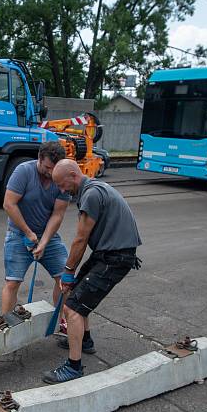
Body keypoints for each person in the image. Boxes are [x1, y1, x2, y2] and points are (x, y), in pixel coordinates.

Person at [43, 159, 142, 384]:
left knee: (73, 308)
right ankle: (85, 340)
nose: (61, 190)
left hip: (116, 258)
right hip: (108, 254)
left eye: (61, 184)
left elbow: (80, 238)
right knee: (77, 294)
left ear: (73, 176)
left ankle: (74, 367)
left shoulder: (91, 194)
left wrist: (68, 271)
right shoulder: (93, 188)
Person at [2, 141, 70, 315]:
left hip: (48, 236)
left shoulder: (62, 177)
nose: (50, 173)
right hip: (19, 234)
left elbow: (58, 214)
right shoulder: (23, 171)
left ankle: (59, 321)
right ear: (39, 159)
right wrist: (28, 233)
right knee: (12, 282)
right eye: (47, 167)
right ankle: (6, 327)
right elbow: (9, 204)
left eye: (54, 169)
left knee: (65, 279)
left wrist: (44, 242)